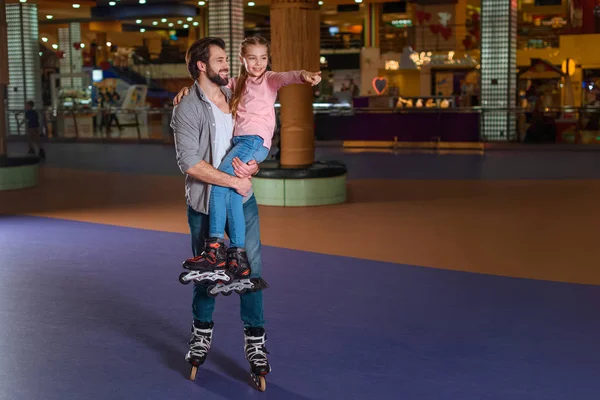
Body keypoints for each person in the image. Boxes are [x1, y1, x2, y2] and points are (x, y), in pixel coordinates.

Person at [174, 36, 321, 282]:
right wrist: (187, 89)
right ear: (243, 59)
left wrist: (304, 74)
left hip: (253, 141)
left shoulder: (269, 80)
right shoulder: (235, 84)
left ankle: (215, 250)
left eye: (263, 58)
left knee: (220, 186)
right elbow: (209, 87)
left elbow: (288, 76)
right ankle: (236, 255)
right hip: (244, 144)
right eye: (252, 58)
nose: (258, 63)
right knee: (230, 192)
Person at [171, 37, 271, 380]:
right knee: (208, 271)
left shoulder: (235, 95)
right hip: (205, 203)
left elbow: (258, 132)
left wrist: (253, 168)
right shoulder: (187, 107)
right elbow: (189, 163)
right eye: (220, 60)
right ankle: (201, 335)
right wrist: (234, 181)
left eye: (228, 59)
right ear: (202, 66)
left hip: (242, 201)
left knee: (250, 271)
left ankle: (255, 342)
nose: (227, 65)